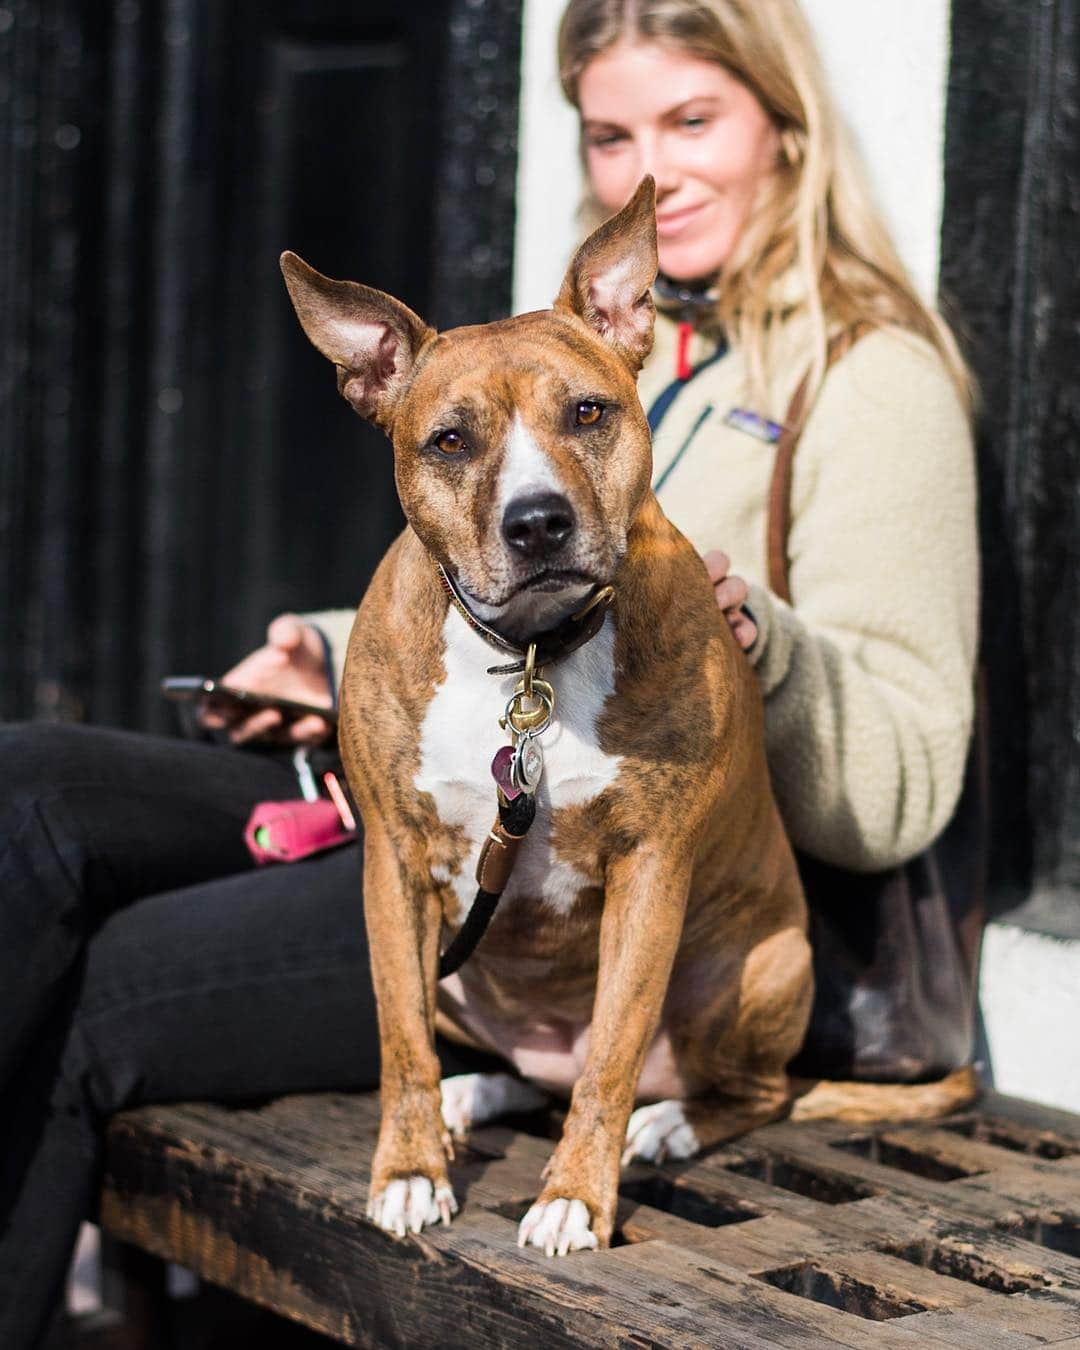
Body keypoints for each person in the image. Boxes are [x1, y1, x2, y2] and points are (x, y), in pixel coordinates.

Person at [0, 1, 977, 1343]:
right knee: (33, 786)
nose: (657, 167)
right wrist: (326, 647)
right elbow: (494, 562)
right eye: (614, 133)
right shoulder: (579, 335)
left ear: (788, 130)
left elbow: (910, 780)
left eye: (694, 121)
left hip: (578, 889)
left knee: (103, 987)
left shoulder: (868, 378)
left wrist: (763, 639)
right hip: (456, 772)